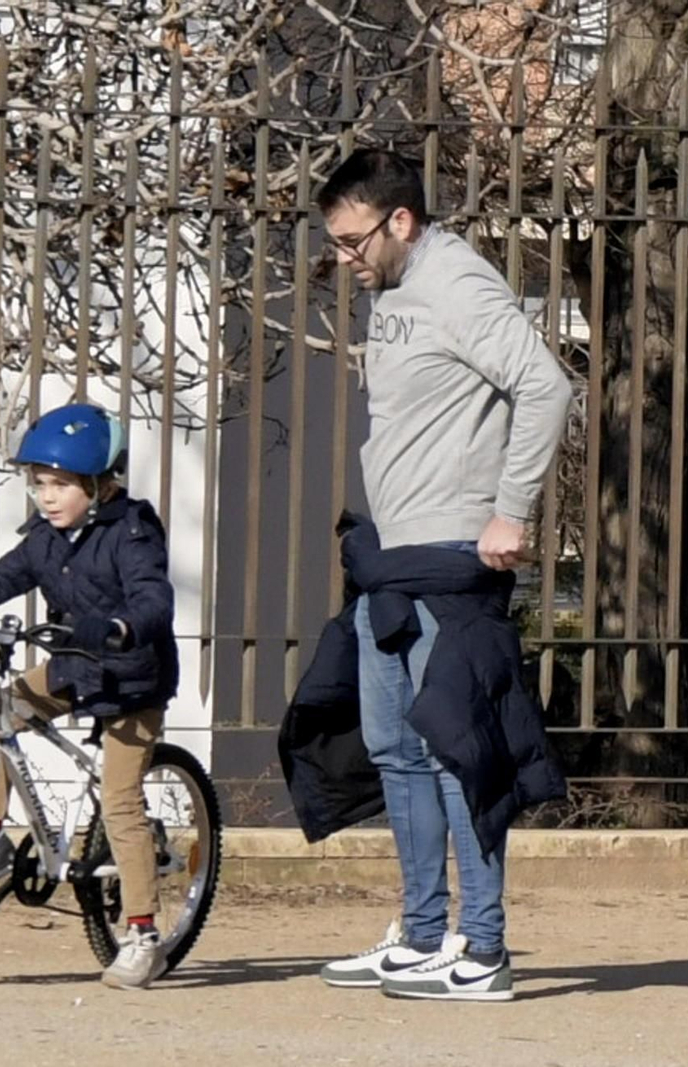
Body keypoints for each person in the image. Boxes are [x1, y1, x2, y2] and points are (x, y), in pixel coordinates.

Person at [280, 147, 572, 1002]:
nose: (344, 258)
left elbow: (546, 386)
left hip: (453, 554)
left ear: (399, 221)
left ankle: (482, 949)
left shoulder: (456, 282)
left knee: (456, 750)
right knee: (394, 748)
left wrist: (511, 510)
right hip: (391, 556)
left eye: (351, 241)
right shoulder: (396, 291)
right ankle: (418, 935)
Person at [0, 402, 178, 990]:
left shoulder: (132, 533)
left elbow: (154, 600)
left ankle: (143, 935)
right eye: (40, 484)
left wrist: (121, 627)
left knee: (120, 801)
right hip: (76, 669)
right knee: (3, 713)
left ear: (100, 486)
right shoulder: (45, 540)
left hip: (131, 681)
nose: (48, 497)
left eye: (62, 485)